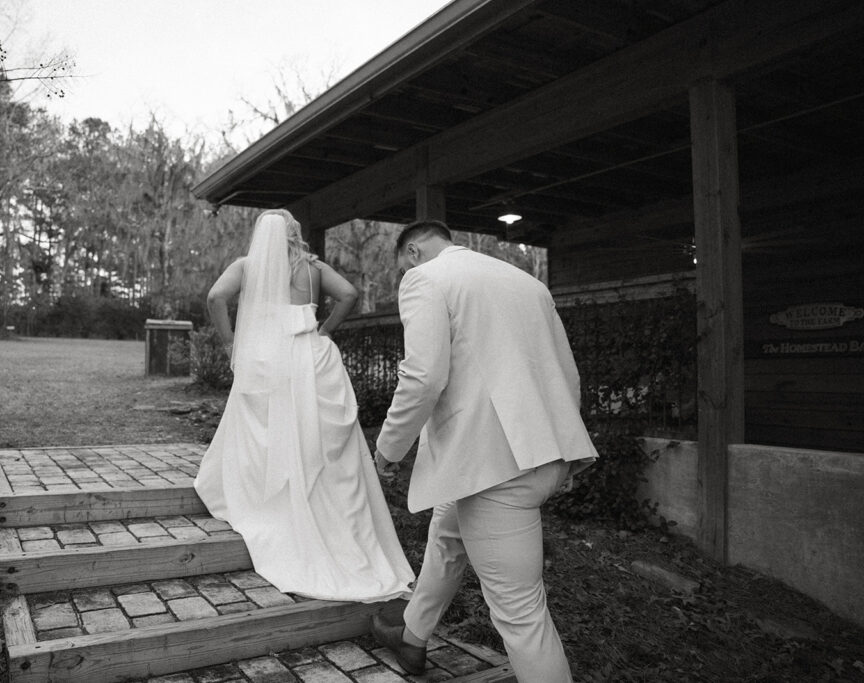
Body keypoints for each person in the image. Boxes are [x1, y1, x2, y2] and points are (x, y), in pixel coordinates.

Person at [370, 219, 598, 682]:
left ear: (412, 252)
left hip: (496, 469)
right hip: (532, 457)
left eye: (399, 268)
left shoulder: (424, 278)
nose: (401, 277)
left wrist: (388, 449)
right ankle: (412, 639)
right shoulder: (527, 282)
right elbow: (566, 373)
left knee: (520, 614)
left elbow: (424, 377)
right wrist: (565, 451)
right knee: (447, 537)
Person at [194, 209, 414, 603]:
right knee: (314, 435)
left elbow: (215, 296)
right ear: (294, 233)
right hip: (311, 356)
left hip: (265, 356)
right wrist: (326, 329)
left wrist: (230, 340)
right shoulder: (312, 268)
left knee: (263, 429)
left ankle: (268, 498)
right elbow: (349, 293)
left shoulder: (247, 266)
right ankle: (323, 505)